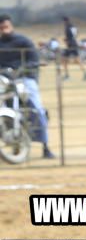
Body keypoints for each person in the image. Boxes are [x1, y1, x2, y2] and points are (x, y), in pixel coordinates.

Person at [0, 14, 53, 159]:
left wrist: (22, 69)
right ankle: (11, 142)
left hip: (24, 79)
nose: (4, 30)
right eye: (1, 28)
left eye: (6, 27)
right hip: (6, 81)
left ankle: (45, 146)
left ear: (11, 26)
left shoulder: (23, 41)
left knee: (37, 108)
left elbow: (33, 59)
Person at [60, 16, 86, 80]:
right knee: (77, 59)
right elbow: (76, 34)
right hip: (75, 43)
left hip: (70, 45)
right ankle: (85, 73)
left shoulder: (67, 27)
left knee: (65, 59)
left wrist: (66, 41)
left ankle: (67, 75)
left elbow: (69, 37)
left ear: (64, 21)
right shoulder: (73, 26)